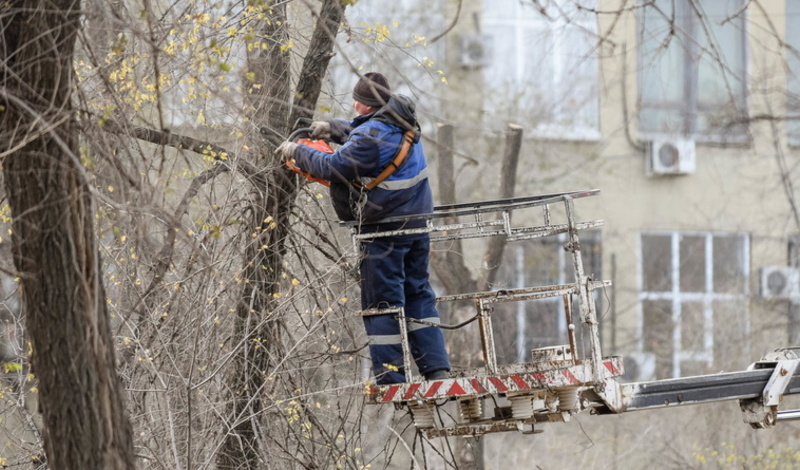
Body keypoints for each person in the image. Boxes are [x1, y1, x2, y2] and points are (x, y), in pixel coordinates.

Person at [276, 72, 451, 384]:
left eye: (357, 101)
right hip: (416, 224)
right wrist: (332, 128)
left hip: (385, 228)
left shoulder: (370, 138)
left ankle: (391, 378)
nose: (353, 105)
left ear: (367, 105)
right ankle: (435, 368)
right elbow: (366, 138)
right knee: (418, 292)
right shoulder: (401, 122)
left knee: (382, 301)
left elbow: (334, 165)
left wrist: (298, 151)